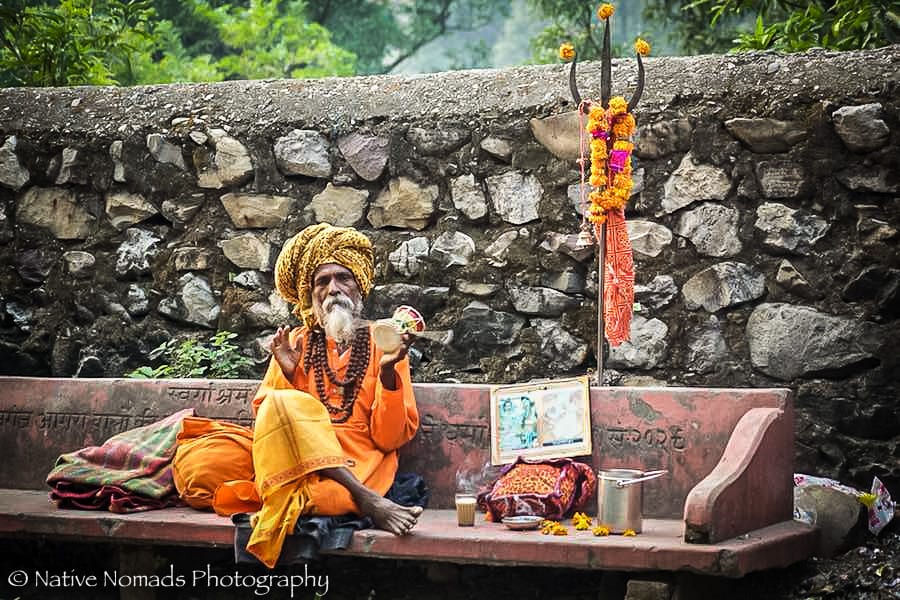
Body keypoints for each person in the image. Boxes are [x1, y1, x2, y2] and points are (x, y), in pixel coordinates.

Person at [172, 223, 422, 568]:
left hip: (360, 463)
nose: (333, 289)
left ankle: (363, 498)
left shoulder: (386, 341)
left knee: (328, 498)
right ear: (311, 294)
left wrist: (387, 373)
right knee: (215, 454)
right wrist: (292, 375)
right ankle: (360, 500)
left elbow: (389, 437)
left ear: (359, 285)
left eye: (342, 278)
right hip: (296, 464)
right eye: (322, 282)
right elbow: (270, 425)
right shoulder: (298, 343)